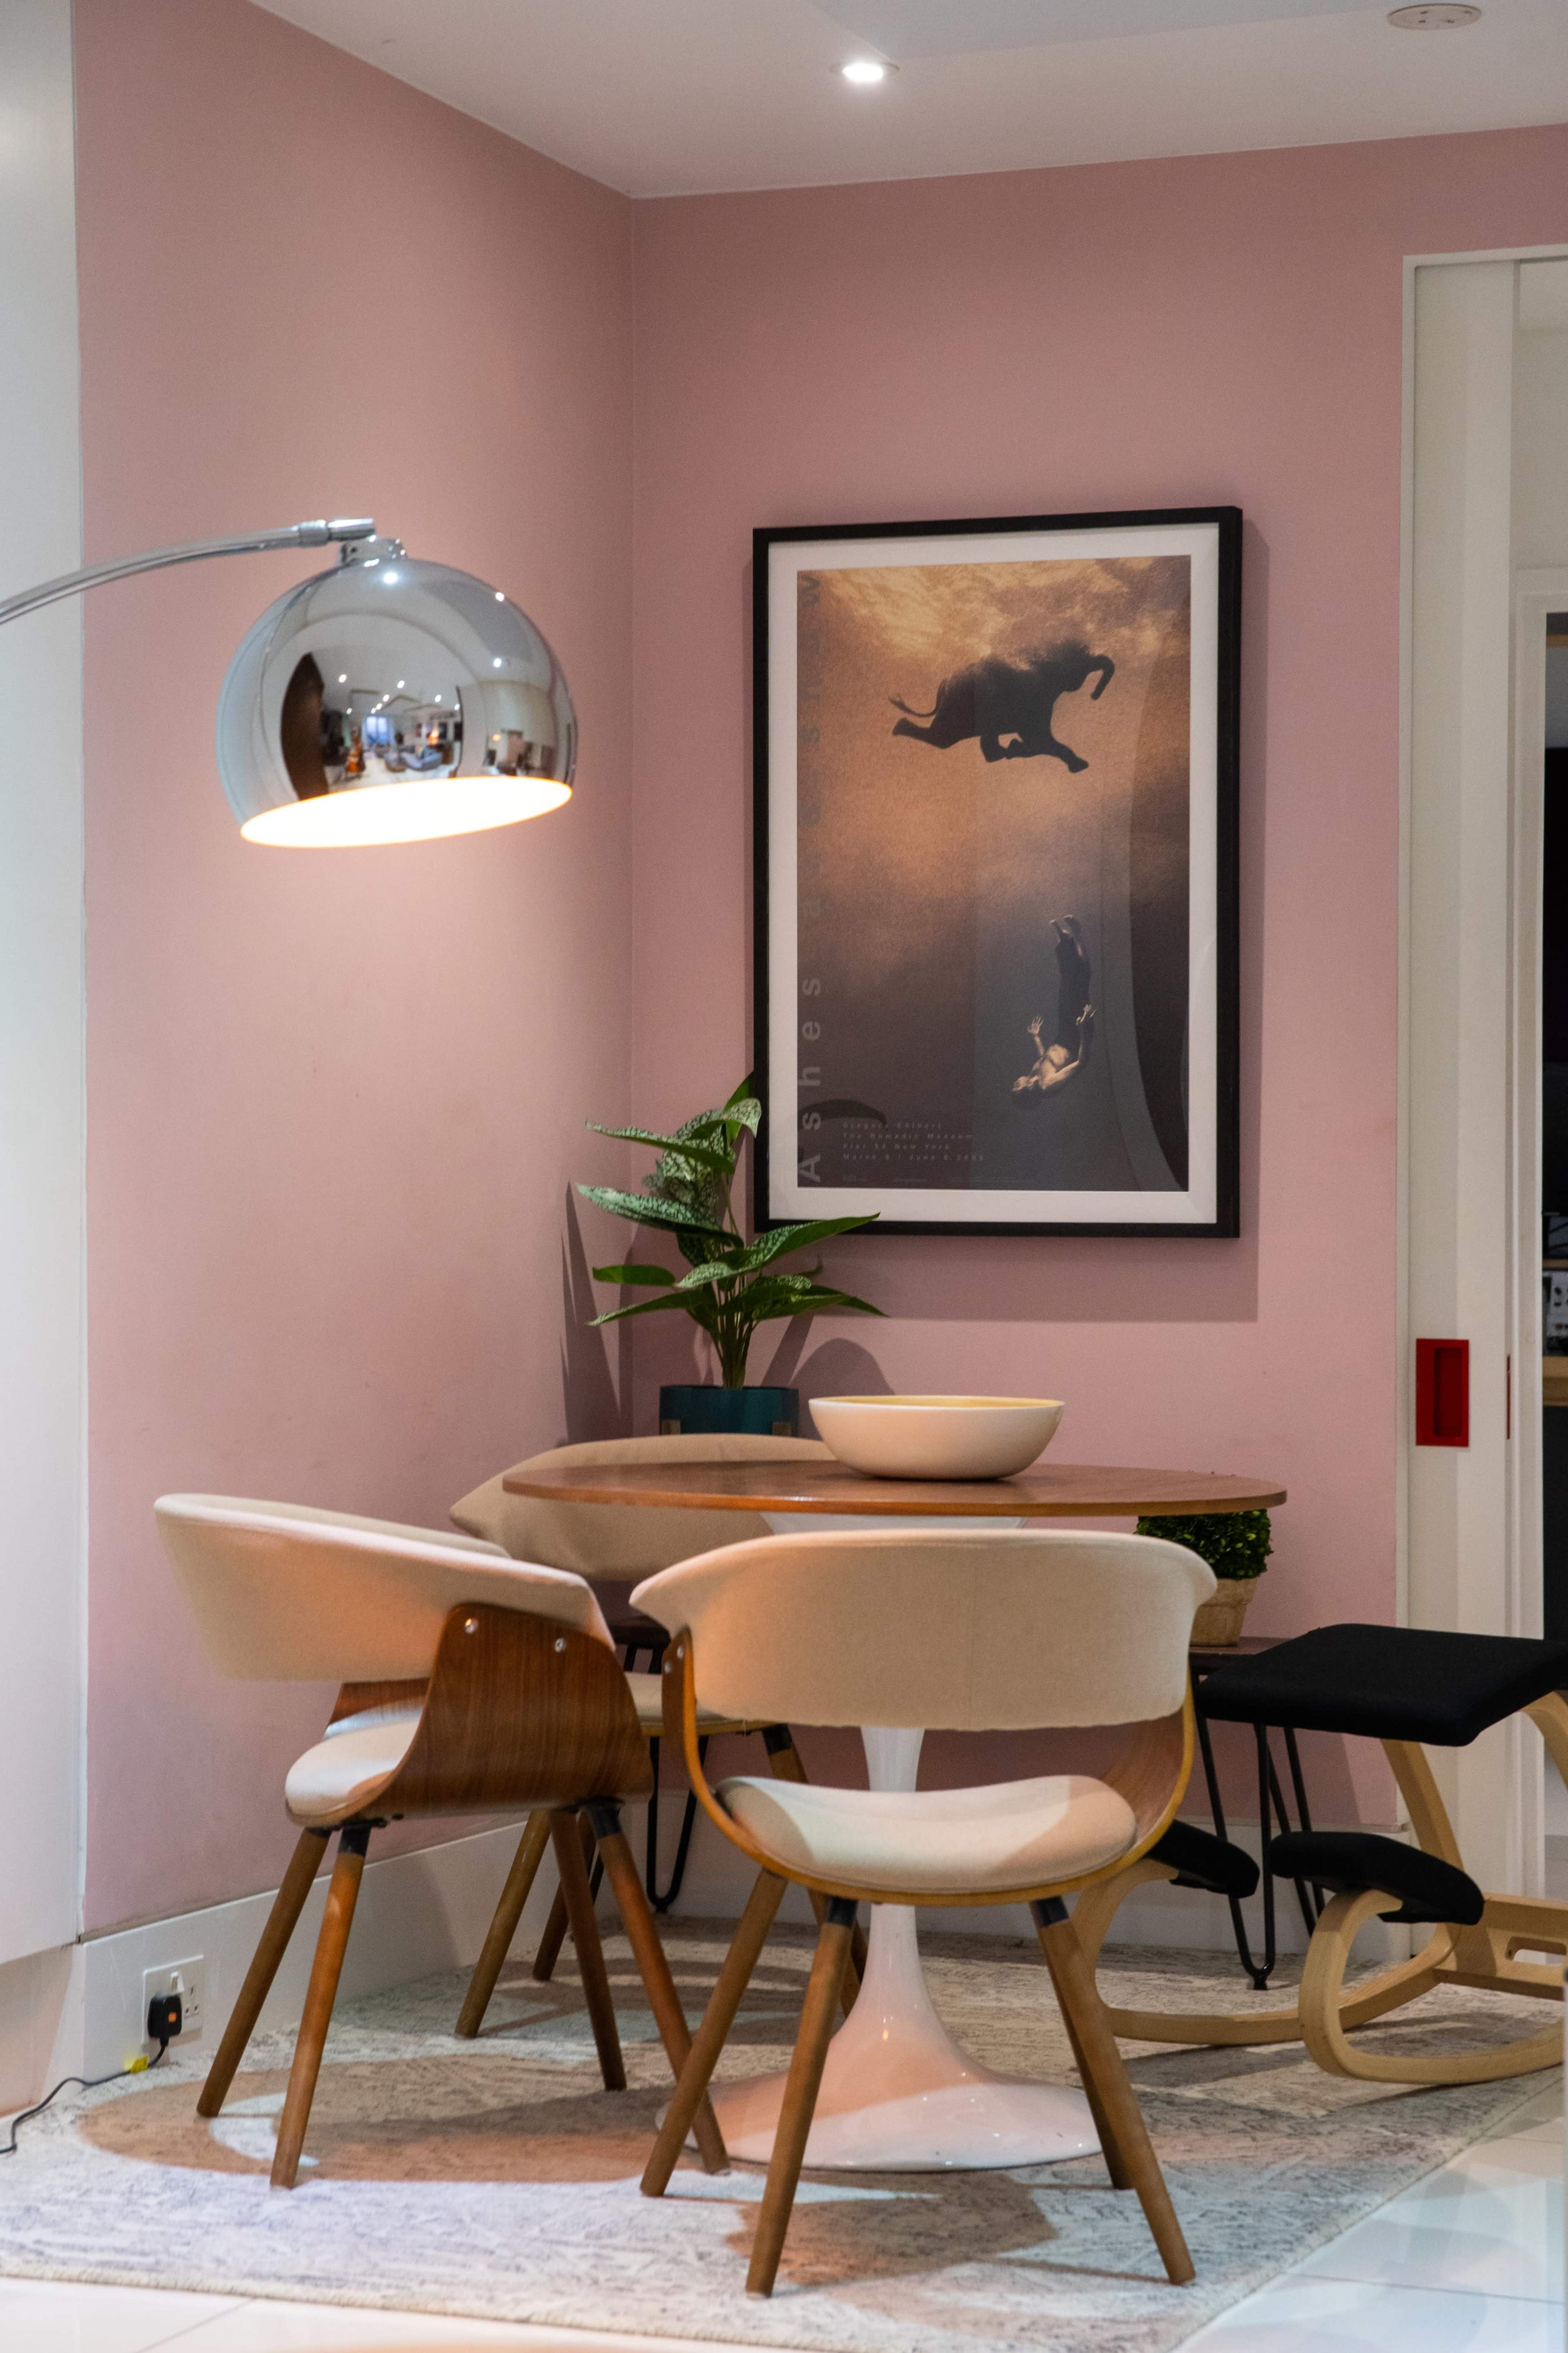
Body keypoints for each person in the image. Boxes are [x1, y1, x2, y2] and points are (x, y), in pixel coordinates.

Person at [1013, 916, 1094, 1098]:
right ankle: (1077, 934)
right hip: (1077, 1035)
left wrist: (1036, 1038)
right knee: (1081, 980)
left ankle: (1064, 940)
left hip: (1063, 1033)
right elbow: (1082, 1062)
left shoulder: (1033, 1076)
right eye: (1015, 1088)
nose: (1014, 1084)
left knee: (1067, 981)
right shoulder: (1048, 1086)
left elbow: (1045, 1060)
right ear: (1024, 1093)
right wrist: (1084, 1030)